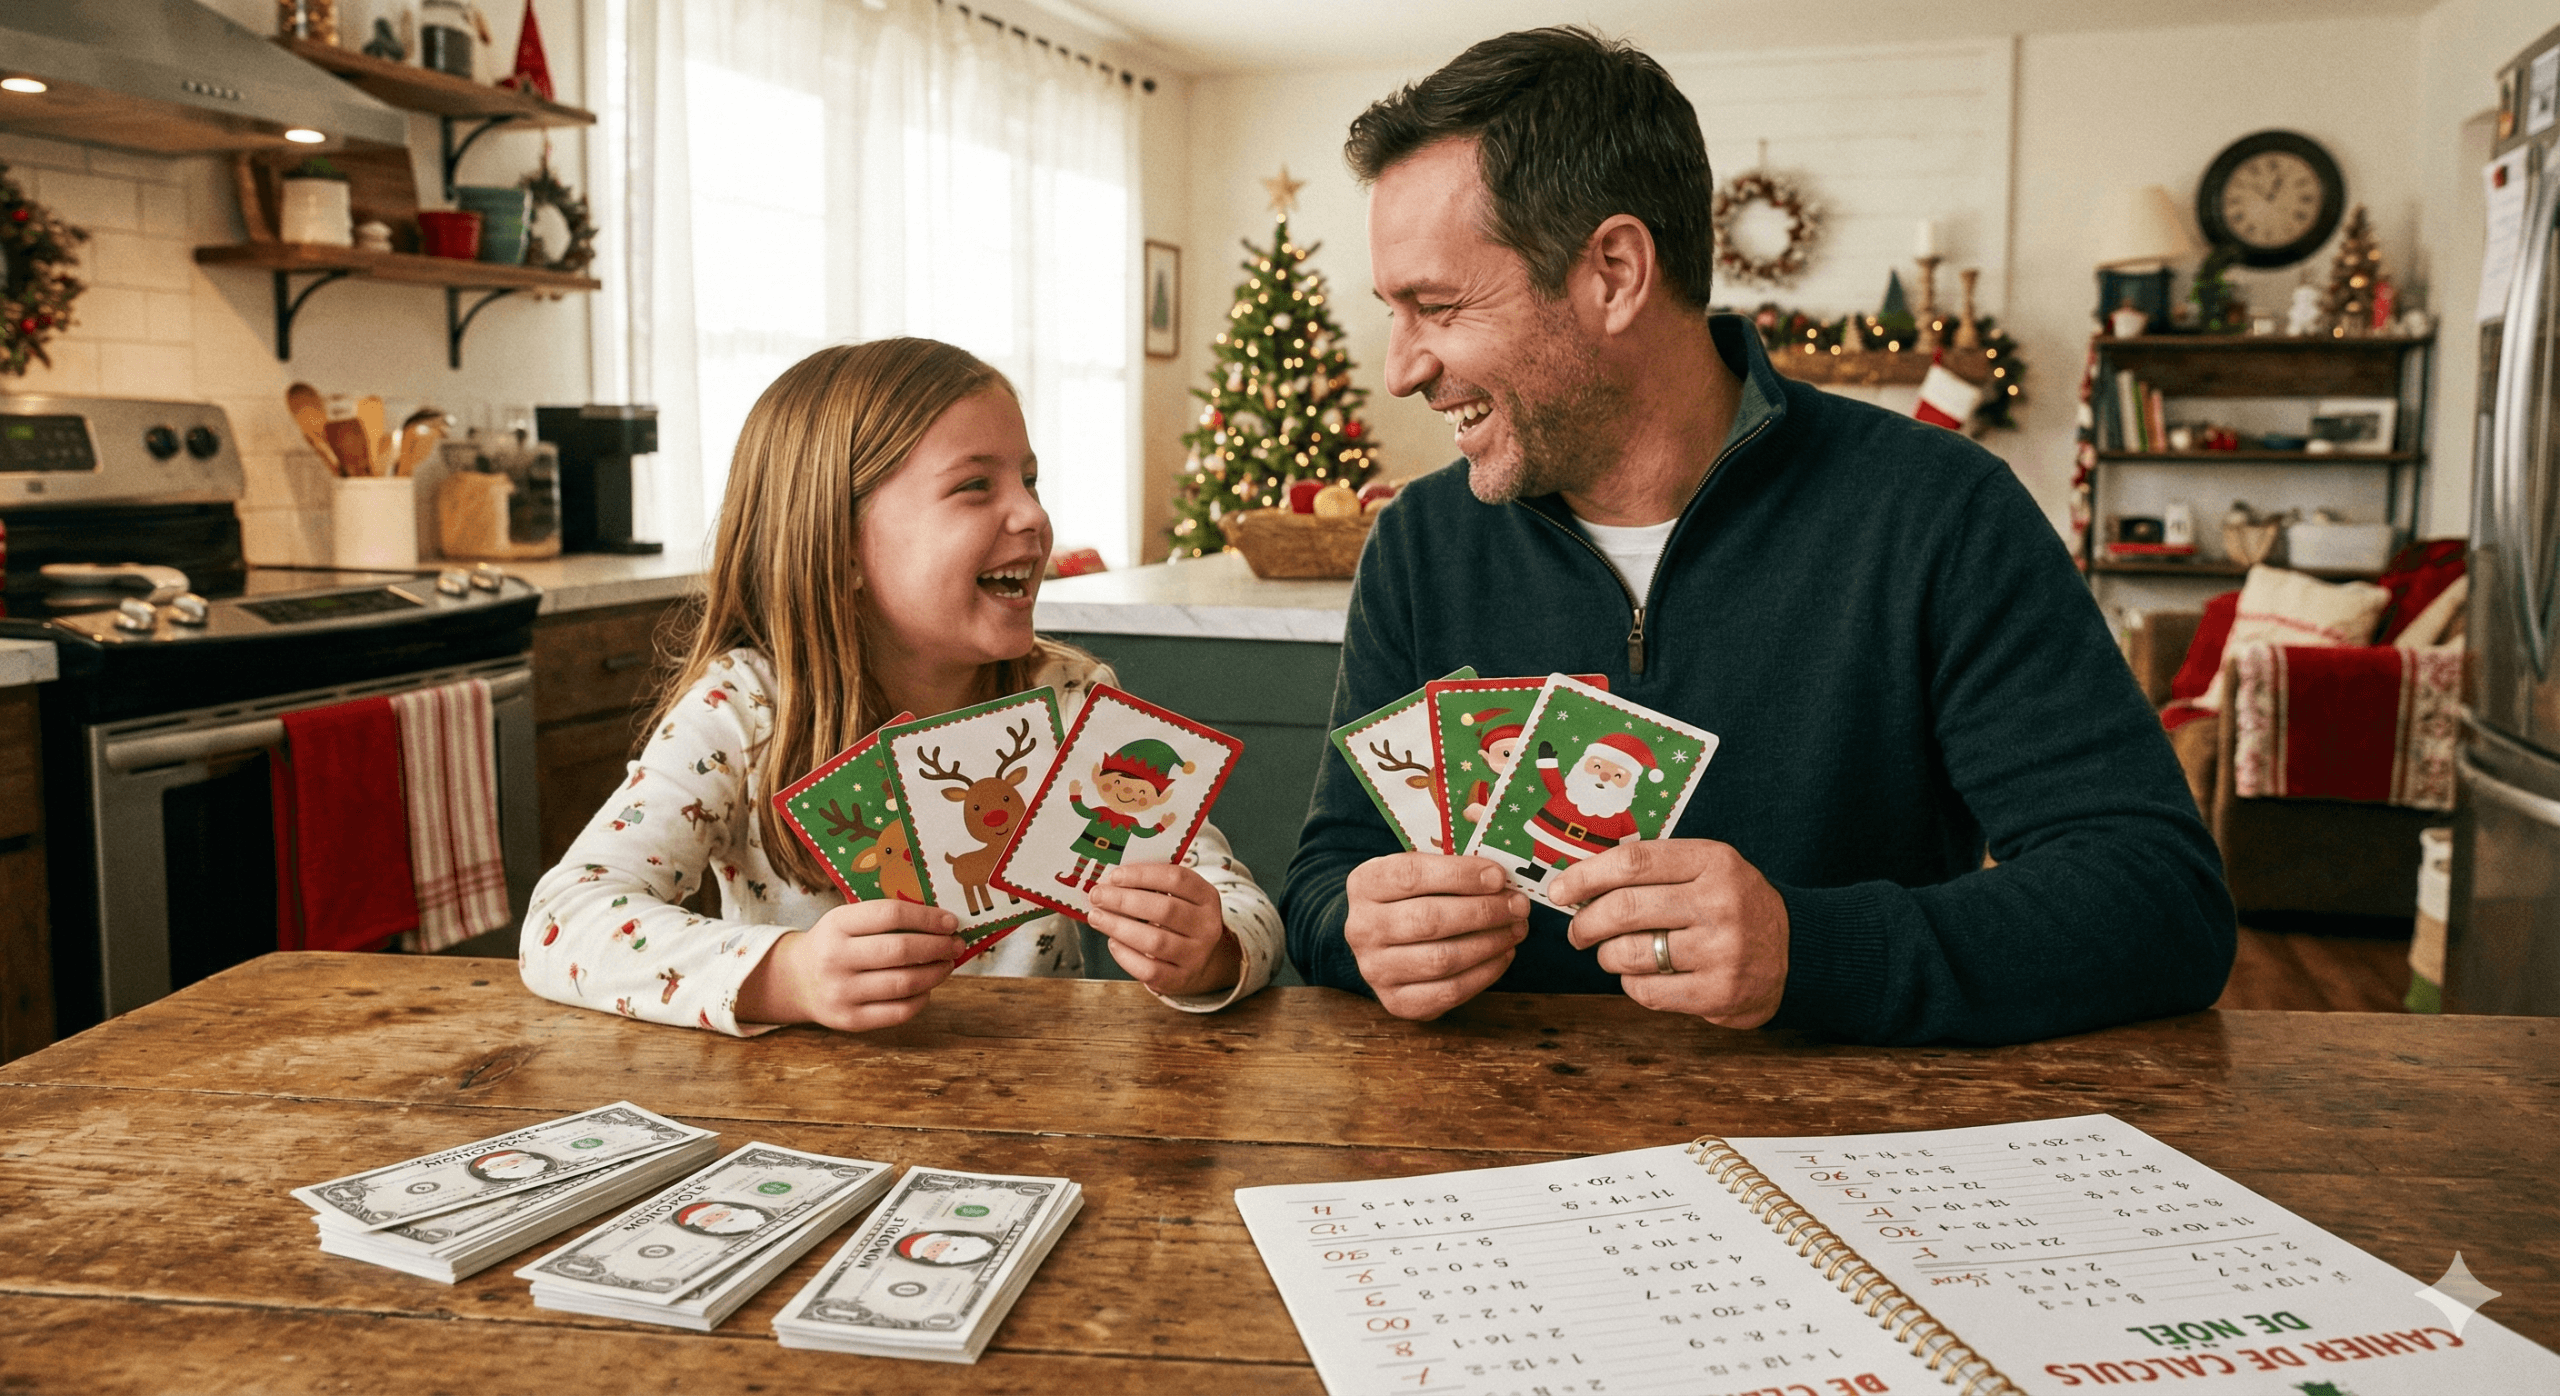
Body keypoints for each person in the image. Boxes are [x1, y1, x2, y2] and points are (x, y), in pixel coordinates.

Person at [1280, 27, 2233, 1046]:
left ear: (1612, 271)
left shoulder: (1939, 513)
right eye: (1394, 310)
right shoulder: (1419, 542)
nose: (1400, 368)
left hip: (1850, 1162)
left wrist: (1805, 946)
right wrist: (1360, 927)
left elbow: (2159, 902)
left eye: (1436, 306)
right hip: (1475, 1165)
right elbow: (1323, 883)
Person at [522, 338, 1283, 1034]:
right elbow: (563, 921)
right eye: (976, 486)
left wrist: (1210, 949)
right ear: (842, 548)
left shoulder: (1068, 701)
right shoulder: (743, 711)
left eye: (1030, 479)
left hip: (1041, 1112)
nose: (1034, 514)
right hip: (805, 1125)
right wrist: (787, 975)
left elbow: (1242, 905)